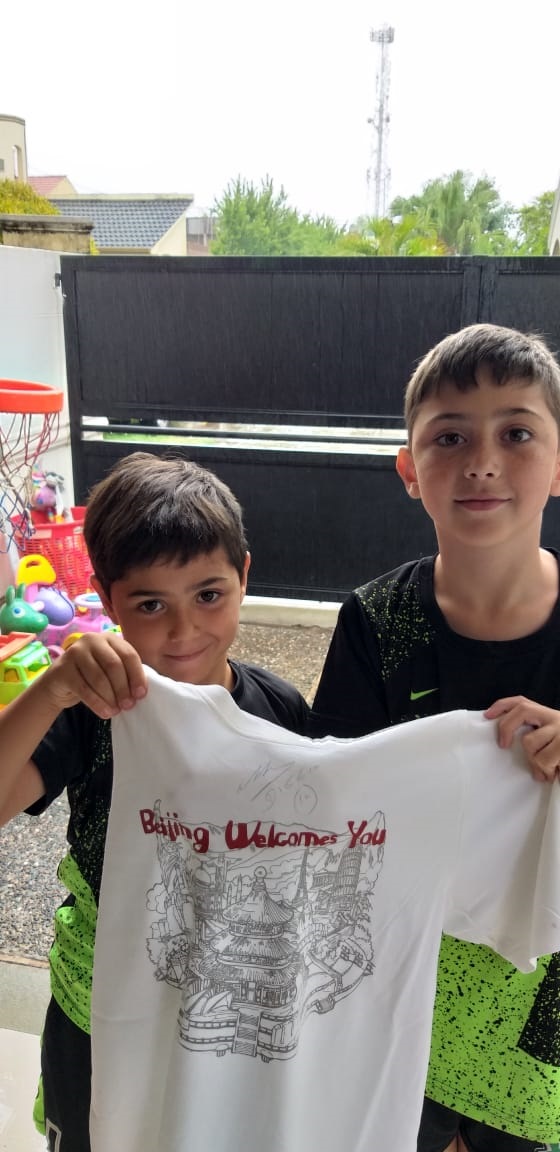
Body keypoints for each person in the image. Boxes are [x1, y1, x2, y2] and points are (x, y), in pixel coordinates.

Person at [0, 451, 310, 1152]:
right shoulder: (89, 710)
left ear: (244, 577)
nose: (183, 631)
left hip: (229, 1007)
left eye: (209, 594)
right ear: (107, 601)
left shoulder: (281, 708)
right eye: (149, 604)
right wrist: (50, 689)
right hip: (102, 1007)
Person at [310, 322, 560, 1152]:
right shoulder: (374, 620)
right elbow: (329, 810)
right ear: (410, 470)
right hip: (399, 1002)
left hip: (539, 1033)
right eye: (449, 436)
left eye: (517, 432)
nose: (482, 460)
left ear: (559, 464)